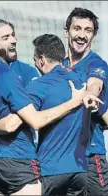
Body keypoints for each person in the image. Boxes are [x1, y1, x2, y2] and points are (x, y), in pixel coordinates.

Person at [0, 18, 97, 195]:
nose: (14, 40)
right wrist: (75, 102)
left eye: (13, 36)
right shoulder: (7, 74)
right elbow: (26, 122)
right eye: (6, 37)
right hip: (19, 161)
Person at [27, 34, 90, 195]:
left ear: (41, 59)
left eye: (34, 59)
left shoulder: (39, 85)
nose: (34, 64)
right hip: (80, 170)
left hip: (51, 168)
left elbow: (24, 120)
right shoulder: (82, 80)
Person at [62, 7, 108, 195]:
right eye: (77, 28)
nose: (82, 35)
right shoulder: (60, 66)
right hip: (61, 157)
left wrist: (89, 95)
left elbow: (94, 84)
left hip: (90, 156)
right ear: (67, 32)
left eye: (87, 30)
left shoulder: (96, 63)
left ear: (93, 36)